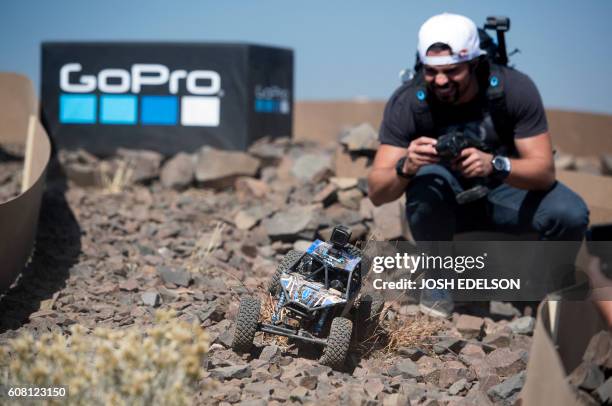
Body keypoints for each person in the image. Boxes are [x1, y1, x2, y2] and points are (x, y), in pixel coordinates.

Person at [367, 13, 590, 317]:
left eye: (452, 71)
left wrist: (495, 165)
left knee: (570, 212)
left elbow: (544, 172)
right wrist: (407, 165)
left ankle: (545, 296)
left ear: (474, 63)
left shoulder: (512, 89)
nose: (441, 81)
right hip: (445, 201)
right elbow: (378, 191)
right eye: (431, 72)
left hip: (504, 191)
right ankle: (439, 283)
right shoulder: (409, 101)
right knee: (427, 182)